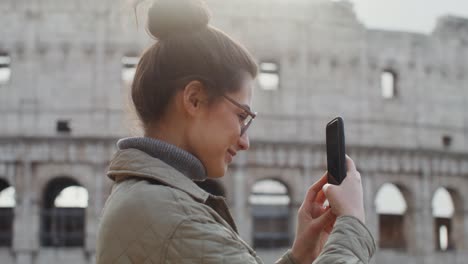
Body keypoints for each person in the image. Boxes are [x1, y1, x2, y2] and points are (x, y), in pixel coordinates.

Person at [96, 0, 376, 263]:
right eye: (242, 116)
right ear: (194, 99)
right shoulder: (173, 217)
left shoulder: (150, 201)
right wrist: (352, 224)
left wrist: (299, 257)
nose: (245, 141)